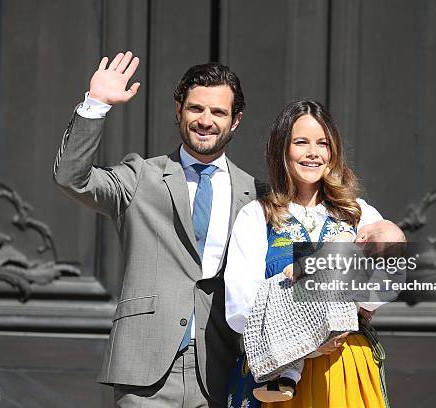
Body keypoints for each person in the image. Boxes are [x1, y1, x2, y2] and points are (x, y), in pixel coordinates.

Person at [54, 51, 403, 408]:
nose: (206, 120)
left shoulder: (257, 195)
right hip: (147, 367)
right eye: (196, 109)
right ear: (179, 111)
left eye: (218, 112)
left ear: (235, 121)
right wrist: (95, 104)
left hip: (219, 367)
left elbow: (389, 270)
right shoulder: (142, 177)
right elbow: (72, 178)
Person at [225, 99, 396, 407]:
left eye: (322, 143)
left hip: (345, 367)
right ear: (282, 150)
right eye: (301, 142)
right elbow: (240, 306)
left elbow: (388, 280)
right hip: (276, 368)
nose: (313, 153)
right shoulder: (256, 215)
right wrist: (307, 339)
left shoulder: (357, 214)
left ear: (333, 152)